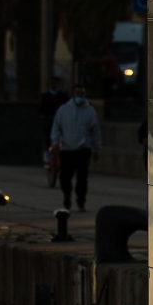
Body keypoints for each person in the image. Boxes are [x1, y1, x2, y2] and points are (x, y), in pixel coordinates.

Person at [50, 84, 102, 212]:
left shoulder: (90, 111)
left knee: (82, 177)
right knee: (65, 176)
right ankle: (67, 194)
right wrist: (55, 142)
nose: (80, 96)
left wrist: (96, 149)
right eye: (78, 93)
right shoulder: (63, 110)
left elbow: (95, 131)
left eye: (82, 93)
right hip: (67, 149)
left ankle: (81, 201)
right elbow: (57, 127)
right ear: (73, 94)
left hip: (83, 149)